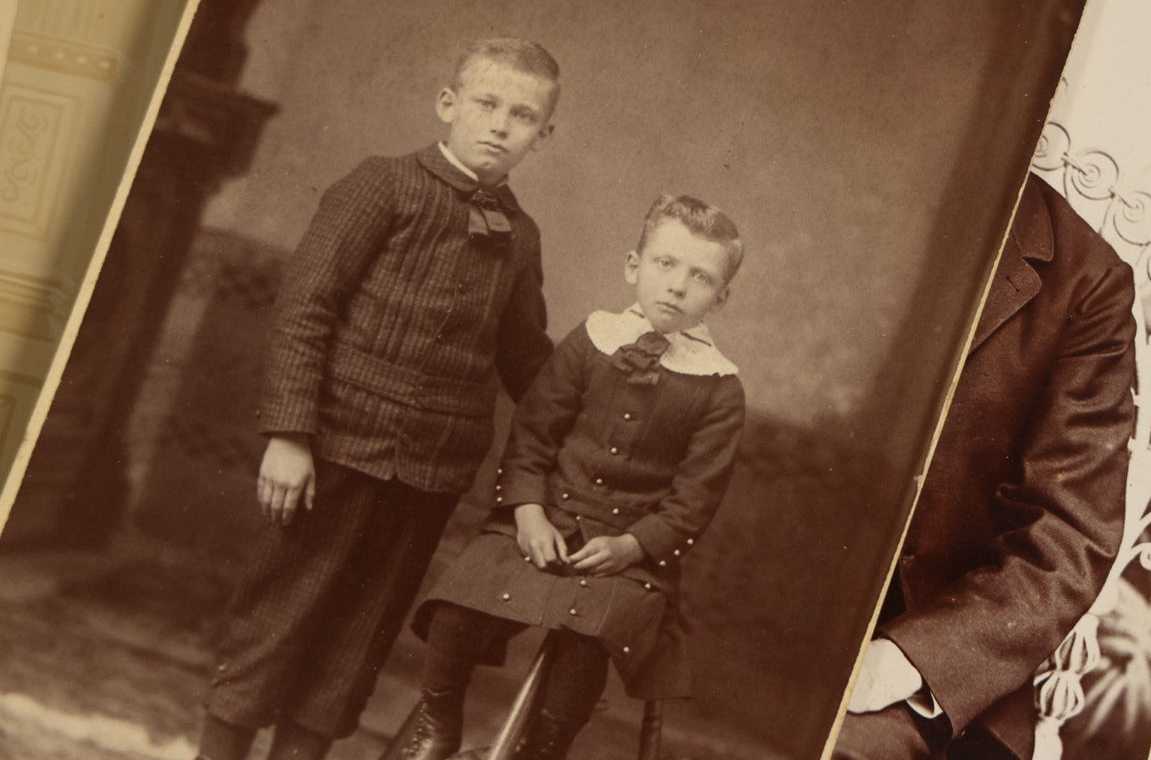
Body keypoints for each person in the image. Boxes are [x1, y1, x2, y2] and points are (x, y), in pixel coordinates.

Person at [195, 37, 561, 760]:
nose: (498, 125)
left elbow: (526, 359)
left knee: (351, 649)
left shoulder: (520, 235)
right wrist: (290, 436)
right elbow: (306, 307)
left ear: (542, 137)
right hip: (327, 453)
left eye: (521, 116)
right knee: (275, 622)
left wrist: (590, 407)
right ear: (447, 105)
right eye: (485, 104)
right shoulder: (381, 187)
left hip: (425, 479)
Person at [380, 194, 746, 760]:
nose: (676, 285)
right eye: (665, 264)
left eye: (700, 277)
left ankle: (544, 748)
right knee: (463, 592)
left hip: (628, 556)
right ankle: (440, 719)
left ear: (719, 298)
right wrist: (527, 512)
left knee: (590, 629)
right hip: (542, 521)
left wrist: (631, 545)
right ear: (634, 266)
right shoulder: (592, 340)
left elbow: (694, 500)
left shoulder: (720, 387)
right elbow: (532, 437)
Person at [834, 174, 1137, 760]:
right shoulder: (845, 184)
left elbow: (1067, 539)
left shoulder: (1086, 280)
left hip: (932, 648)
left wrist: (912, 658)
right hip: (774, 610)